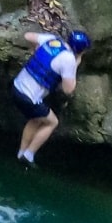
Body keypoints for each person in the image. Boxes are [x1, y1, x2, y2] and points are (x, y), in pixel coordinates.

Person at [11, 29, 91, 166]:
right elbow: (68, 90)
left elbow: (28, 35)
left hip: (16, 87)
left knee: (36, 119)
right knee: (52, 122)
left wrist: (35, 50)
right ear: (80, 51)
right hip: (29, 97)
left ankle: (21, 153)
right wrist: (75, 65)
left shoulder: (52, 40)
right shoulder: (69, 60)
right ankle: (29, 155)